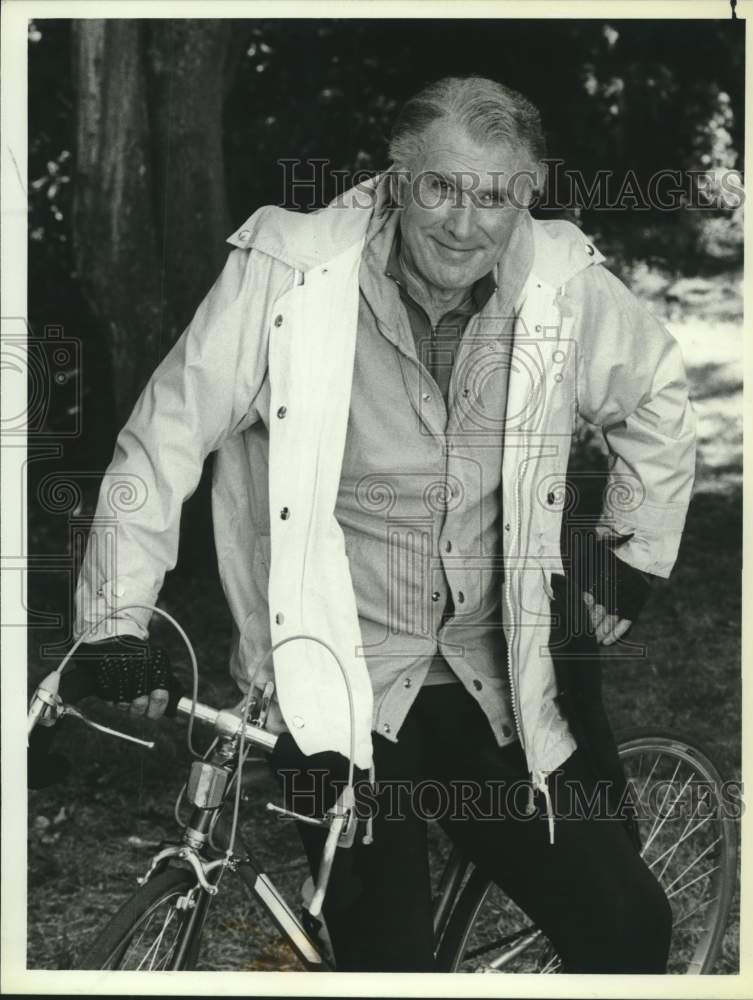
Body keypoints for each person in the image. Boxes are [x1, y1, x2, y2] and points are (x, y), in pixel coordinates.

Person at [72, 77, 696, 973]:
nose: (464, 223)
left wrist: (629, 557)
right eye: (442, 187)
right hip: (336, 683)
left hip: (497, 678)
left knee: (628, 925)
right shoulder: (289, 272)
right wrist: (114, 622)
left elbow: (658, 398)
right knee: (389, 964)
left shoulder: (563, 282)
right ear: (396, 181)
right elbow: (160, 442)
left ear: (526, 197)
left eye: (494, 197)